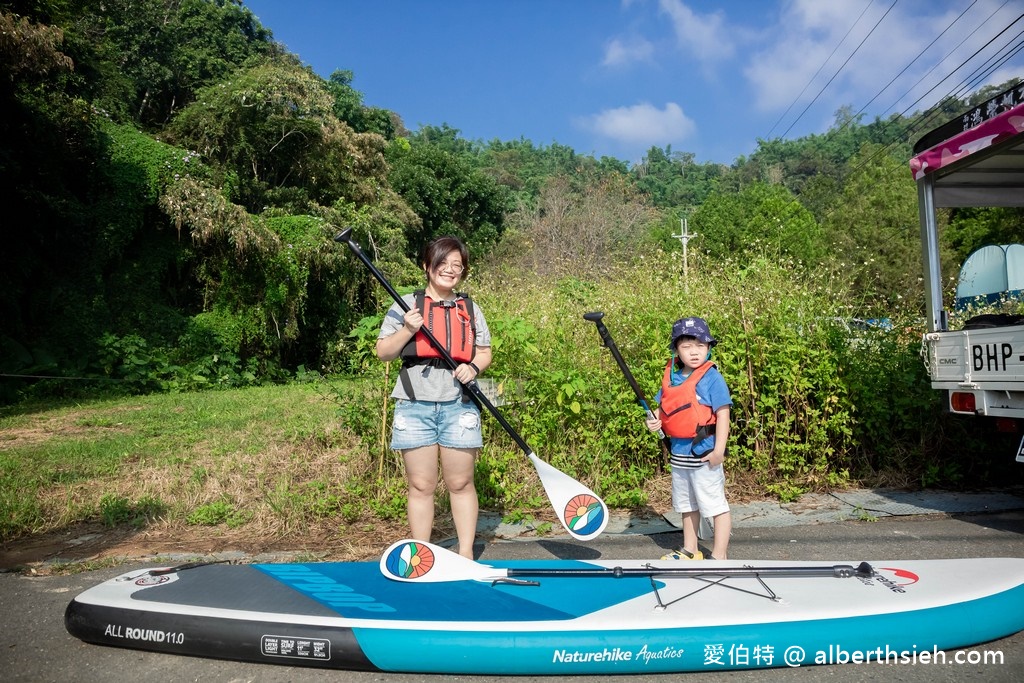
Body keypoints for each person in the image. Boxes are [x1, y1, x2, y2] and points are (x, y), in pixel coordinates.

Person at [376, 235, 491, 559]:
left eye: (458, 265)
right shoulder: (405, 304)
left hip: (459, 404)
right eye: (443, 263)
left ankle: (466, 553)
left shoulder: (470, 308)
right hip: (414, 404)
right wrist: (408, 329)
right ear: (427, 266)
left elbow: (483, 351)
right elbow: (384, 352)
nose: (450, 270)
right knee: (422, 485)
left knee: (460, 483)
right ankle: (422, 554)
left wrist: (473, 367)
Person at [645, 316, 732, 560]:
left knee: (715, 505)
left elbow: (723, 414)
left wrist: (719, 451)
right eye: (686, 347)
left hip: (705, 454)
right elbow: (661, 412)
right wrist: (652, 422)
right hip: (679, 456)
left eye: (700, 346)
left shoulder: (712, 377)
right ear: (676, 350)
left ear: (709, 347)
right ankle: (691, 549)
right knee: (686, 505)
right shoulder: (672, 378)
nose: (694, 352)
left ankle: (719, 555)